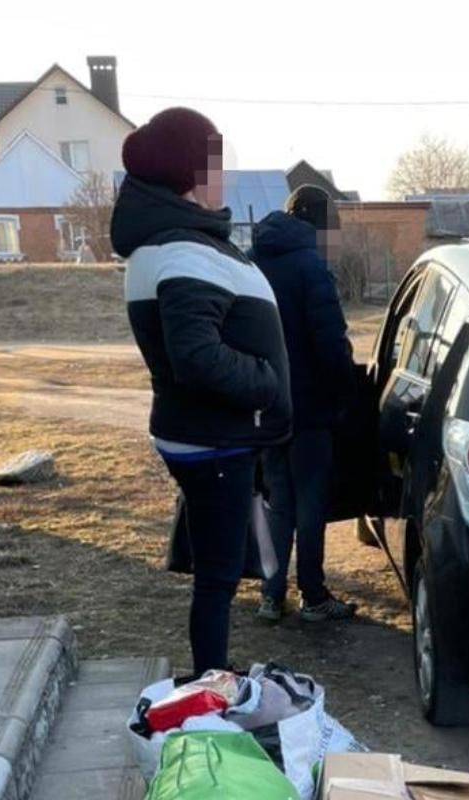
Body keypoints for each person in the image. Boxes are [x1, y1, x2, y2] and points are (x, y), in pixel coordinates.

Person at [111, 107, 291, 672]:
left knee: (218, 564)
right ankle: (210, 683)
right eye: (215, 163)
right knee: (216, 578)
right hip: (215, 441)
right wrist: (266, 386)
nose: (225, 177)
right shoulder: (182, 251)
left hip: (212, 435)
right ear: (190, 175)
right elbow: (196, 356)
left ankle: (213, 674)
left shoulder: (176, 242)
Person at [249, 185, 358, 624]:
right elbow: (330, 341)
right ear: (318, 223)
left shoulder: (254, 263)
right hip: (310, 405)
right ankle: (313, 595)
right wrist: (346, 392)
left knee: (280, 500)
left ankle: (271, 596)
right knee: (311, 501)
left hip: (268, 403)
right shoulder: (311, 267)